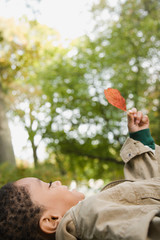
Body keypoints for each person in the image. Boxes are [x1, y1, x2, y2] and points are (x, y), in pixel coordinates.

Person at [0, 108, 160, 240]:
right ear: (51, 220)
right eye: (48, 185)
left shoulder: (89, 227)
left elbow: (143, 200)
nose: (55, 182)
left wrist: (141, 140)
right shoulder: (85, 217)